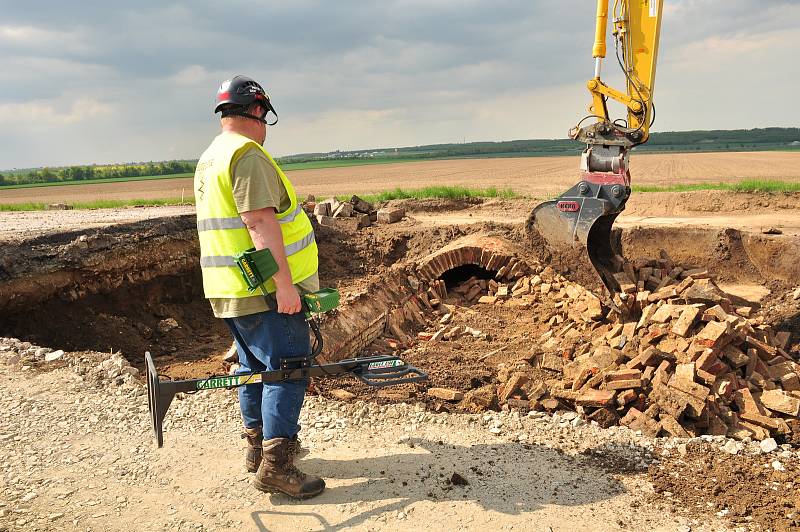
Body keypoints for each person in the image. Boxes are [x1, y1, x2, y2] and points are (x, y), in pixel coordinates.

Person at [194, 75, 325, 499]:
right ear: (256, 111)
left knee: (253, 369)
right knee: (287, 372)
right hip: (264, 291)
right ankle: (276, 467)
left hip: (230, 288)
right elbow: (259, 222)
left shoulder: (210, 157)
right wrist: (283, 286)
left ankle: (257, 449)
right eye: (265, 116)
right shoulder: (246, 155)